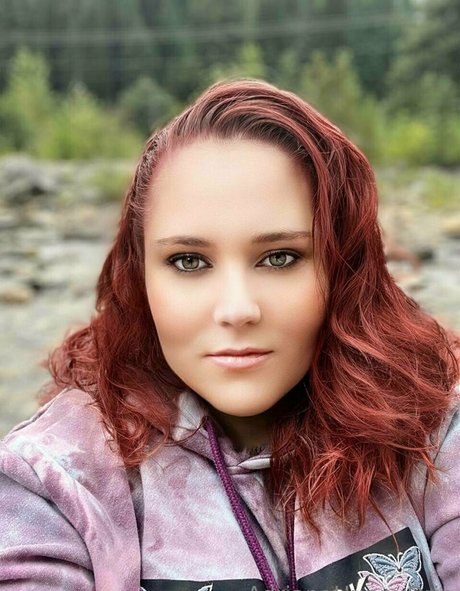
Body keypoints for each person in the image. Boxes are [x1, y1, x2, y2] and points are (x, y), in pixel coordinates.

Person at [0, 79, 458, 591]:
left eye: (280, 257)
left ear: (344, 267)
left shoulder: (434, 427)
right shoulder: (53, 480)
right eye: (189, 261)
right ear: (139, 278)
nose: (237, 310)